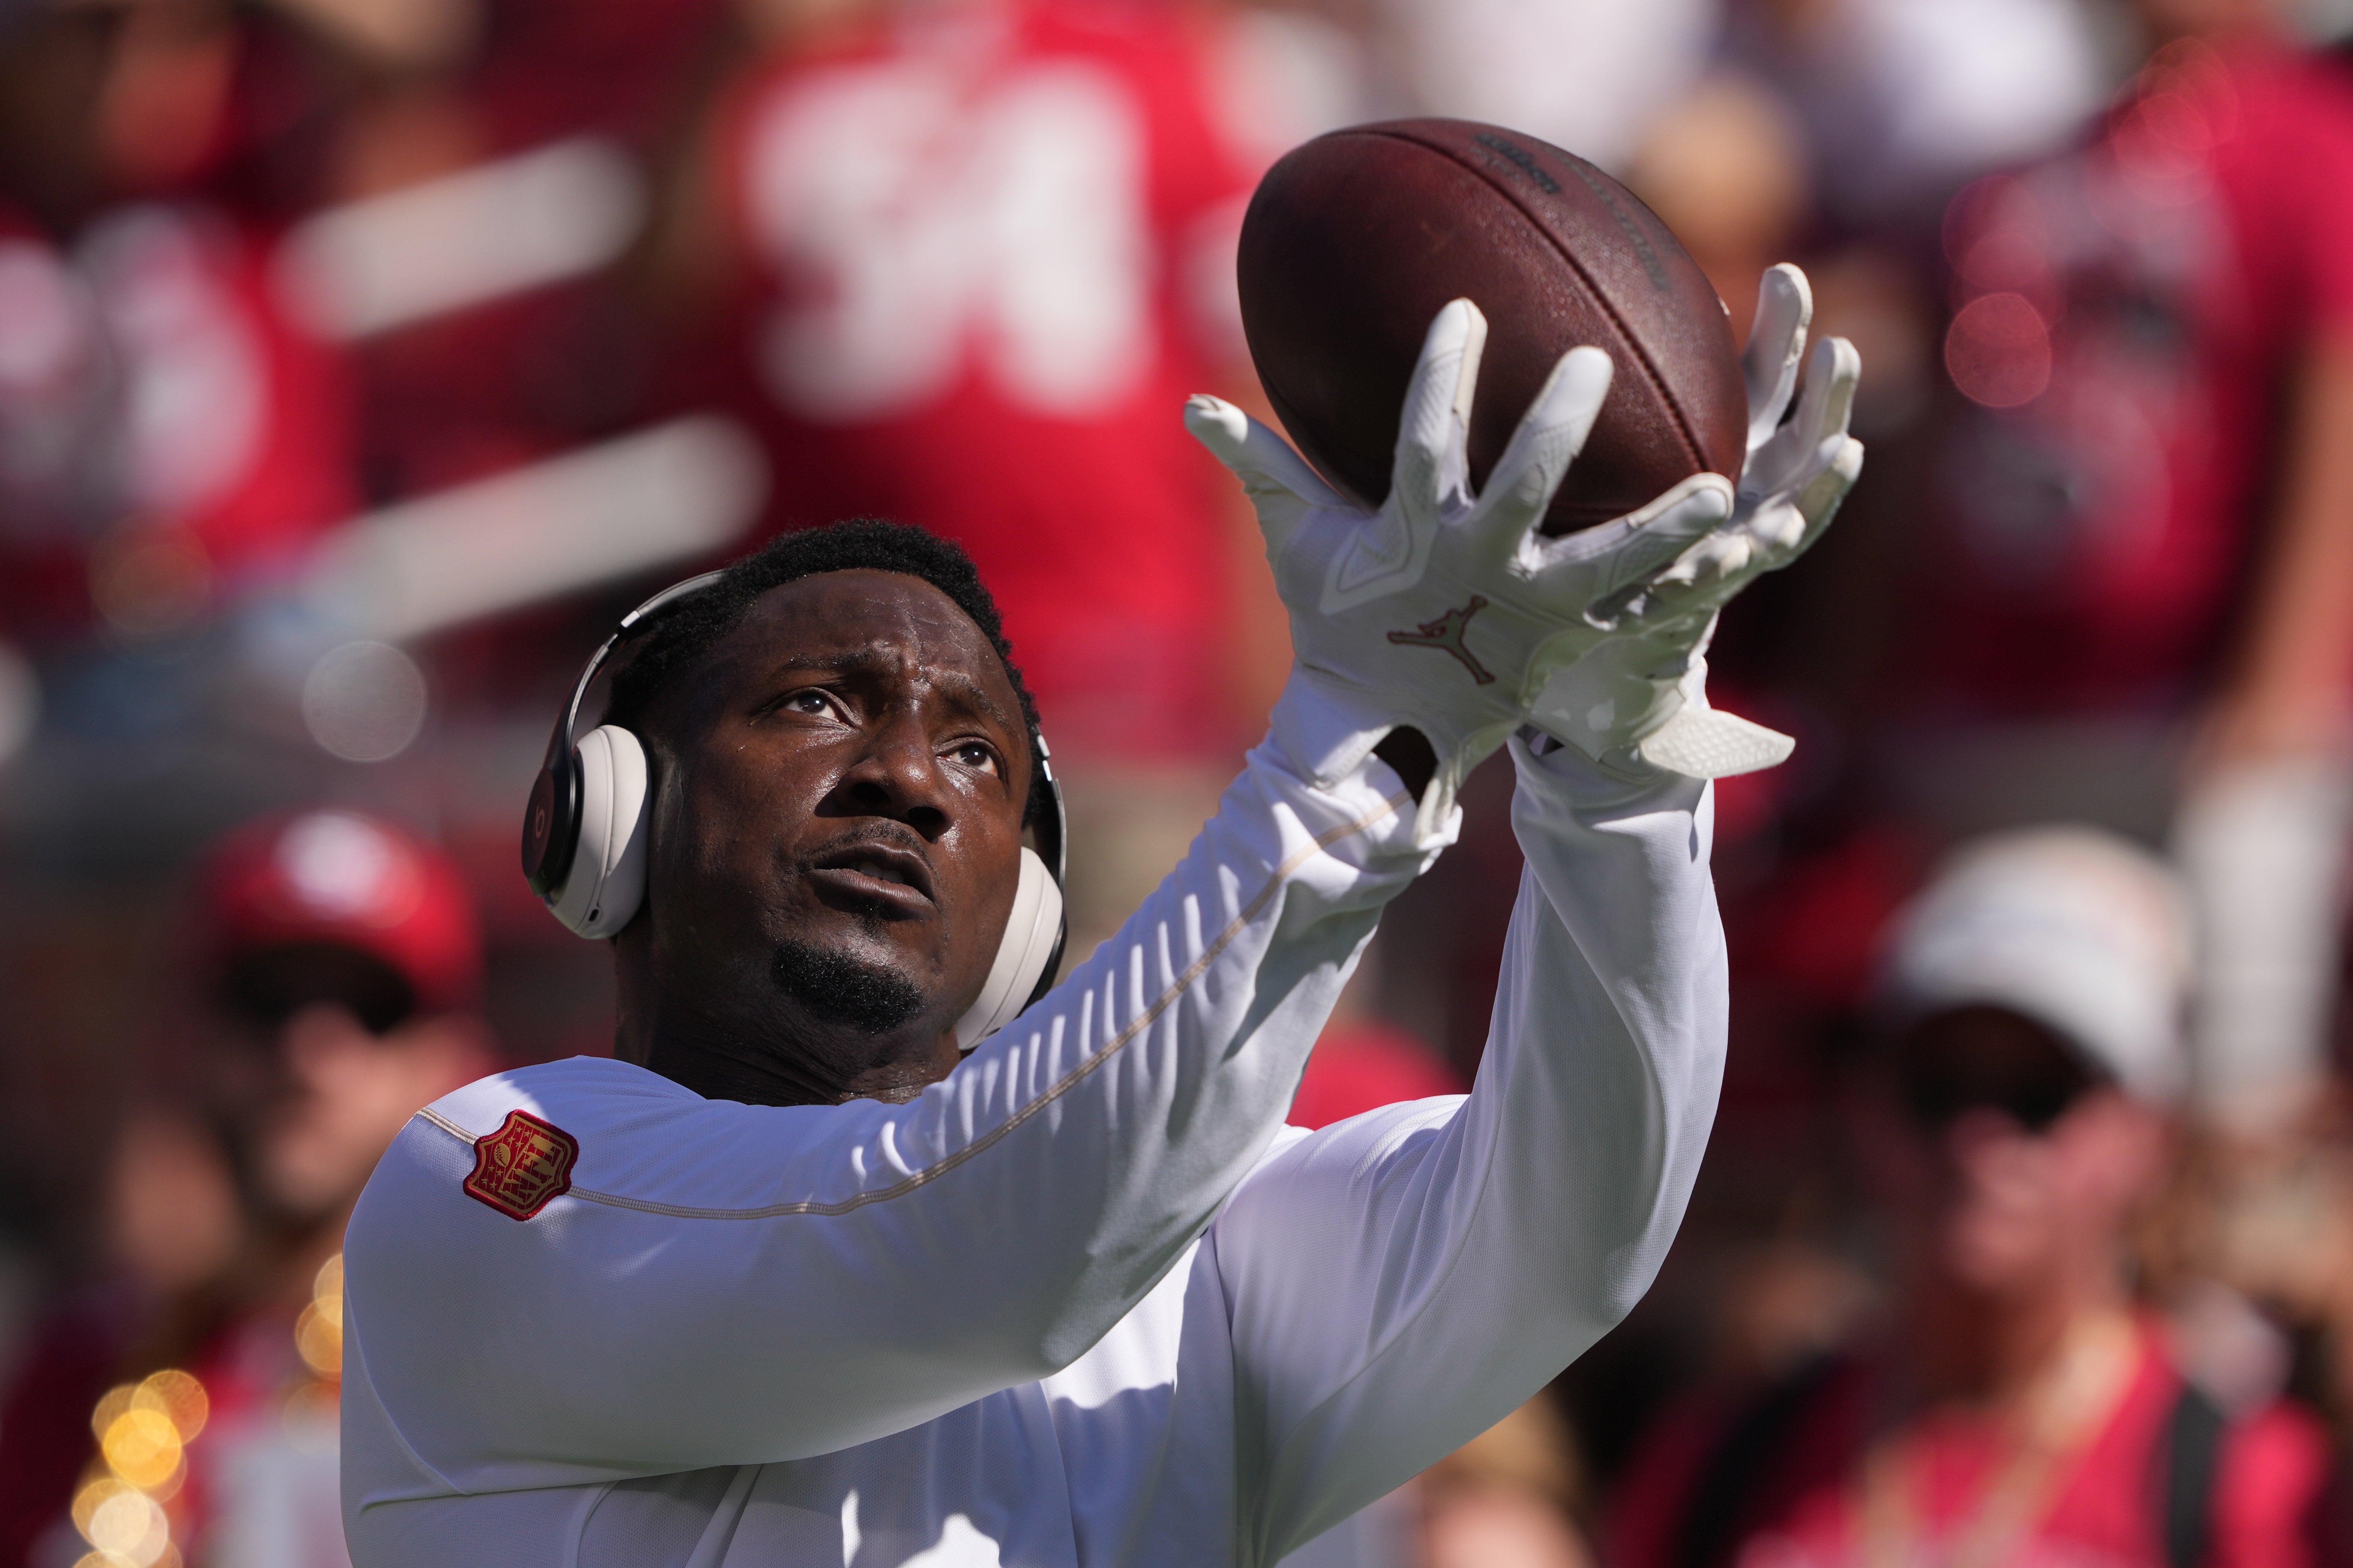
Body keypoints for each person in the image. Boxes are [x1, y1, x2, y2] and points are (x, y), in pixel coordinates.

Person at [338, 270, 1861, 1566]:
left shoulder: (1175, 1251)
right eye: (814, 703)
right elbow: (970, 1249)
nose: (904, 781)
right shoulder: (485, 1175)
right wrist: (1362, 724)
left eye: (975, 753)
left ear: (1026, 911)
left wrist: (1611, 769)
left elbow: (1568, 1225)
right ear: (611, 807)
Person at [1610, 827, 2330, 1568]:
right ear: (1862, 1108)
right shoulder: (1721, 1459)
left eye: (2038, 1096)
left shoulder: (2255, 1488)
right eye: (1937, 1088)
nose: (1978, 1143)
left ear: (2147, 1134)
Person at [0, 807, 493, 1568]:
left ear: (451, 1058)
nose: (309, 1053)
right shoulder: (78, 1372)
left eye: (371, 1009)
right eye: (267, 1001)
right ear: (191, 1038)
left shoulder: (509, 1378)